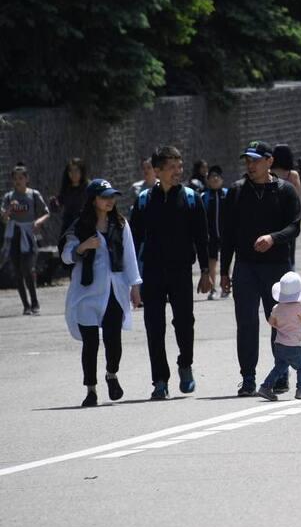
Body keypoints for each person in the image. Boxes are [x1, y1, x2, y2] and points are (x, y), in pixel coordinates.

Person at [220, 140, 301, 397]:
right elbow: (228, 235)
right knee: (246, 323)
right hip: (245, 266)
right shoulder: (236, 191)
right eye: (247, 160)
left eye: (256, 160)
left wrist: (272, 238)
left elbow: (295, 227)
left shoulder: (285, 190)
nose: (250, 165)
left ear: (269, 161)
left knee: (279, 321)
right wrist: (224, 270)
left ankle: (280, 373)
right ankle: (248, 378)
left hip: (277, 267)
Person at [129, 146, 211, 400]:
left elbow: (201, 237)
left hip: (181, 271)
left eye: (180, 166)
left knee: (185, 323)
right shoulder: (144, 200)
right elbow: (133, 241)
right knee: (155, 327)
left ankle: (185, 364)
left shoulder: (190, 197)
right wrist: (132, 281)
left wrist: (206, 271)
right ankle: (160, 381)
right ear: (158, 170)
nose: (178, 171)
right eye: (172, 167)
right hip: (152, 272)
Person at [62, 179, 142, 407]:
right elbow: (66, 256)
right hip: (86, 293)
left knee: (113, 341)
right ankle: (91, 389)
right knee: (90, 343)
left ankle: (111, 374)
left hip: (114, 292)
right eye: (104, 196)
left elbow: (130, 257)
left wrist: (135, 286)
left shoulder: (120, 223)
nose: (109, 201)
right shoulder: (79, 226)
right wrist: (83, 246)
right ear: (93, 200)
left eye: (112, 196)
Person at [257, 271, 301, 401]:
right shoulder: (297, 307)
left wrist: (280, 324)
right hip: (293, 344)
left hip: (279, 343)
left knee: (280, 367)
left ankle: (265, 387)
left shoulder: (277, 307)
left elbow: (271, 322)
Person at [1, 162, 49, 316]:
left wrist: (39, 221)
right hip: (14, 234)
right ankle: (26, 305)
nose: (18, 181)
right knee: (17, 271)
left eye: (21, 178)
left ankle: (34, 302)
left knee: (28, 268)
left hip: (29, 235)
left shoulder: (34, 195)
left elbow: (46, 212)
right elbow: (3, 218)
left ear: (27, 179)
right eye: (15, 178)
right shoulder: (9, 197)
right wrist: (9, 210)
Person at [271, 144, 301, 268]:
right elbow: (298, 198)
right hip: (289, 217)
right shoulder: (292, 175)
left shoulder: (268, 173)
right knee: (290, 249)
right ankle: (290, 270)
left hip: (273, 216)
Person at [202, 165, 228, 300]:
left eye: (218, 176)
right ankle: (212, 289)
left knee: (226, 262)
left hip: (226, 235)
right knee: (212, 263)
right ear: (208, 180)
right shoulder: (205, 197)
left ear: (222, 179)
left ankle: (226, 287)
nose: (215, 178)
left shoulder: (227, 194)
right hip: (210, 236)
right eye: (212, 176)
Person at [51, 158, 89, 236]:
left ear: (82, 172)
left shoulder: (89, 187)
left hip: (85, 226)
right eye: (71, 171)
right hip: (68, 227)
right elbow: (58, 206)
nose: (73, 174)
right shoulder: (66, 189)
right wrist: (54, 203)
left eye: (76, 170)